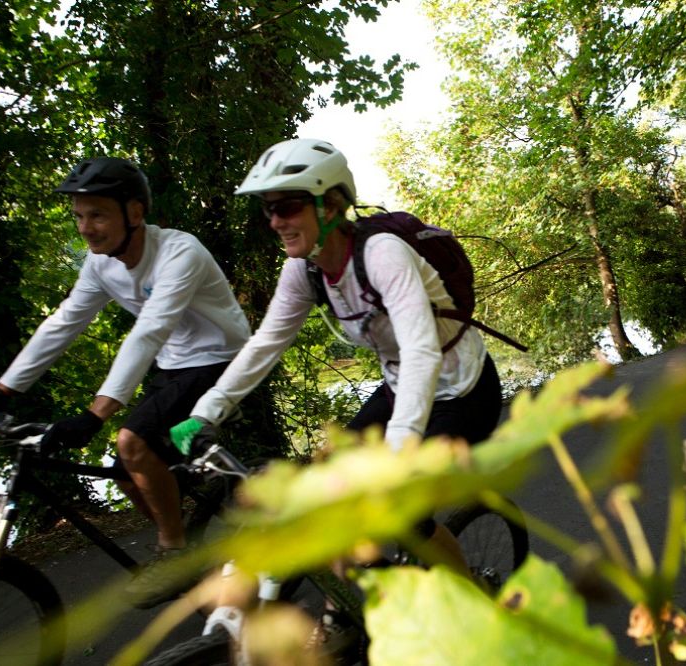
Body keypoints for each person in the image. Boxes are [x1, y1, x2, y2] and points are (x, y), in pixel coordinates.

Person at [171, 138, 503, 572]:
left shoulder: (383, 253)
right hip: (400, 386)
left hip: (463, 392)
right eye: (268, 209)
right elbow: (267, 342)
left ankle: (475, 605)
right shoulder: (304, 268)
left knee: (401, 516)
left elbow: (422, 350)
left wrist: (399, 450)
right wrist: (207, 411)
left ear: (328, 205)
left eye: (286, 207)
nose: (275, 221)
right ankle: (344, 615)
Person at [0, 157, 251, 607]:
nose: (85, 227)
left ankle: (174, 555)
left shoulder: (180, 251)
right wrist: (3, 390)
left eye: (97, 214)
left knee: (131, 441)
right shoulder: (101, 265)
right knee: (126, 472)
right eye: (79, 215)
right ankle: (176, 538)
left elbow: (150, 329)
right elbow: (64, 322)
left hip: (222, 358)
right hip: (174, 364)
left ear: (135, 212)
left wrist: (94, 413)